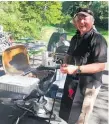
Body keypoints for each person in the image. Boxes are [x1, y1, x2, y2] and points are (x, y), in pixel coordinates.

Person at [59, 7, 107, 124]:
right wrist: (65, 63)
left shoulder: (98, 39)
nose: (81, 22)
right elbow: (69, 54)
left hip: (89, 85)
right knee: (70, 112)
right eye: (78, 19)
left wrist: (77, 68)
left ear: (92, 21)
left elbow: (100, 66)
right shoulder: (75, 38)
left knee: (81, 117)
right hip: (73, 81)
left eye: (85, 19)